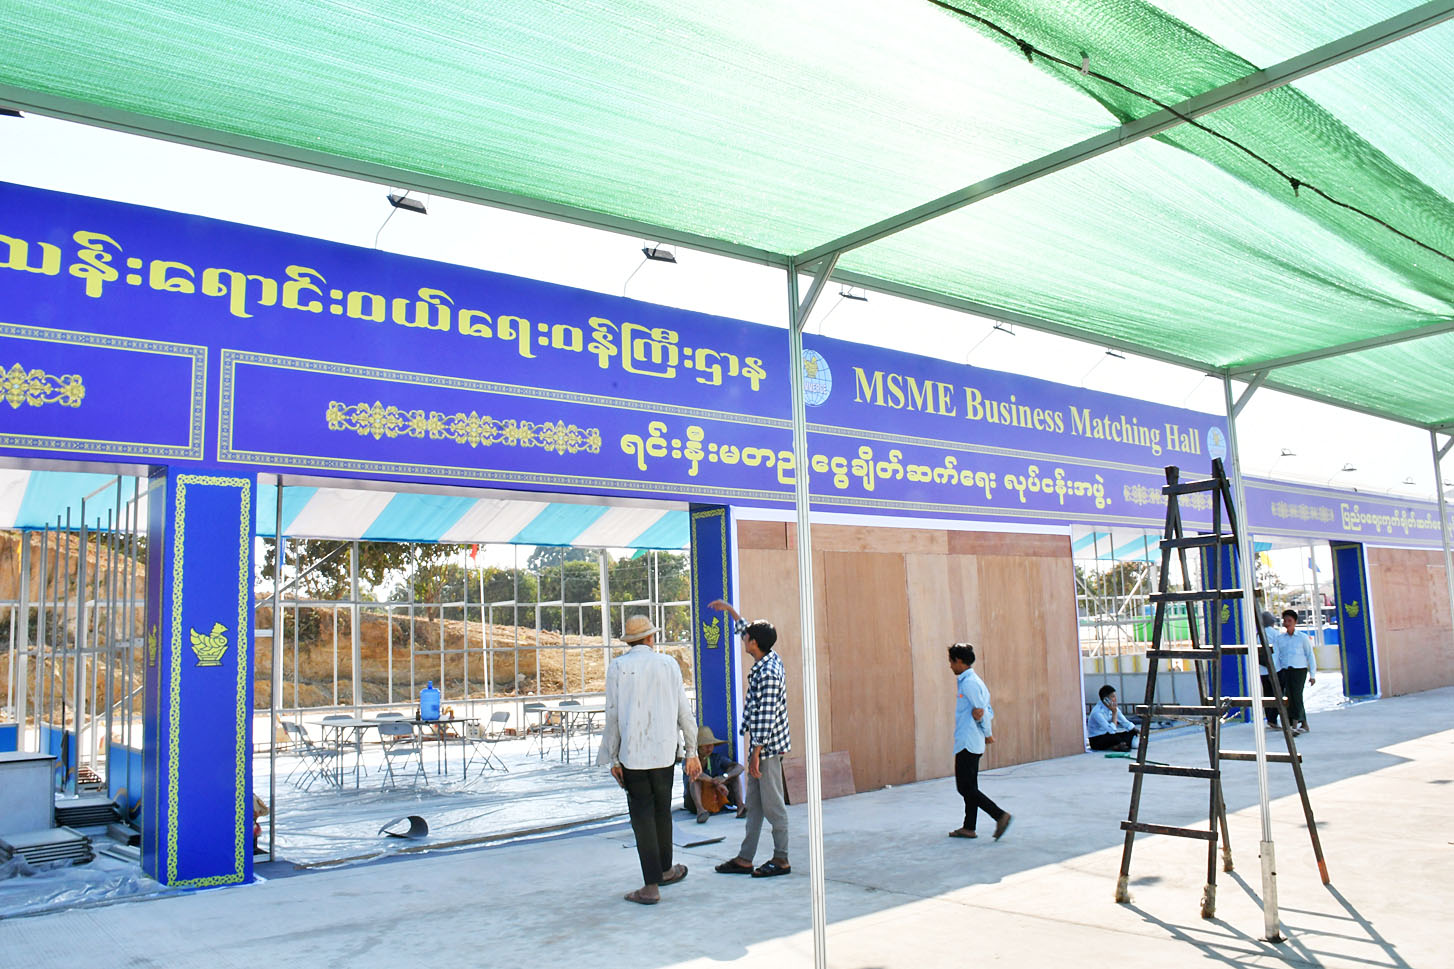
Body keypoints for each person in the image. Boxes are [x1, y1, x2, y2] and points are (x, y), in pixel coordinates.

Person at [598, 614, 701, 905]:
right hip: (664, 753)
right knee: (662, 812)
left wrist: (613, 758)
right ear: (650, 637)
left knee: (642, 818)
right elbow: (684, 712)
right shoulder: (668, 664)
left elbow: (613, 716)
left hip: (633, 756)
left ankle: (650, 886)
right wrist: (692, 752)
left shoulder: (618, 667)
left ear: (630, 641)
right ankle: (665, 870)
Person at [708, 599, 792, 878]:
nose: (743, 638)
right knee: (754, 806)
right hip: (761, 747)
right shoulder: (769, 657)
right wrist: (730, 611)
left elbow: (766, 717)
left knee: (773, 806)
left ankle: (781, 858)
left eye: (747, 637)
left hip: (766, 750)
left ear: (754, 643)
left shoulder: (767, 673)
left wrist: (756, 754)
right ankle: (745, 858)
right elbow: (746, 628)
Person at [947, 643, 1012, 841]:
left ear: (959, 661)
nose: (950, 666)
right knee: (970, 786)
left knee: (965, 788)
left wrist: (987, 733)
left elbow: (981, 712)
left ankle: (999, 815)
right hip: (970, 741)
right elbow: (987, 710)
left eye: (951, 661)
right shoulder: (972, 681)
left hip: (968, 741)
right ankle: (969, 827)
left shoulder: (970, 684)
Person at [684, 725, 746, 823]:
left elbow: (740, 767)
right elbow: (694, 773)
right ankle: (700, 810)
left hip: (716, 797)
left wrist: (725, 777)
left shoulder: (716, 758)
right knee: (695, 779)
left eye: (711, 745)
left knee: (734, 774)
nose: (709, 748)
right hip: (695, 801)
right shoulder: (689, 760)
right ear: (698, 747)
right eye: (705, 745)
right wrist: (716, 783)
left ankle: (740, 806)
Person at [1272, 608, 1317, 734]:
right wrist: (1274, 671)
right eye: (1285, 621)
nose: (1287, 623)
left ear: (1295, 622)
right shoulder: (1280, 639)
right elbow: (1276, 655)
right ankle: (1302, 723)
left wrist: (1312, 675)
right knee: (1288, 696)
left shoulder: (1302, 638)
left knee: (1296, 695)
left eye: (1289, 620)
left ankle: (1295, 723)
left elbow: (1310, 655)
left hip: (1299, 670)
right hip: (1286, 670)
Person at [1086, 684, 1136, 751]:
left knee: (1130, 733)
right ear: (1105, 699)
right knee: (1115, 738)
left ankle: (1120, 745)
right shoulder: (1097, 712)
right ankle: (1117, 746)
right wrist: (1114, 713)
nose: (1115, 699)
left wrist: (1135, 730)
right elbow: (1112, 731)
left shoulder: (1113, 708)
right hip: (1097, 739)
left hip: (1108, 735)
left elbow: (1124, 722)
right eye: (1113, 697)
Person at [1258, 609, 1283, 729]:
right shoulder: (1275, 634)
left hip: (1262, 670)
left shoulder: (1258, 634)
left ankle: (1269, 719)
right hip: (1275, 669)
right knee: (1277, 694)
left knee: (1267, 694)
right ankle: (1274, 718)